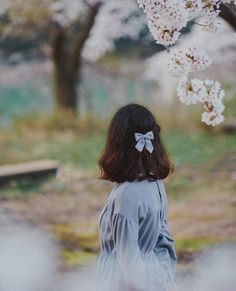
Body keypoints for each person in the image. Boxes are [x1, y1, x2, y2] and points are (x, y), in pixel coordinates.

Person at [94, 103, 177, 291]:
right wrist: (163, 279)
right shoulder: (155, 184)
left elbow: (129, 263)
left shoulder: (127, 196)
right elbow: (164, 242)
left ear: (117, 144)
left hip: (121, 282)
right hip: (153, 275)